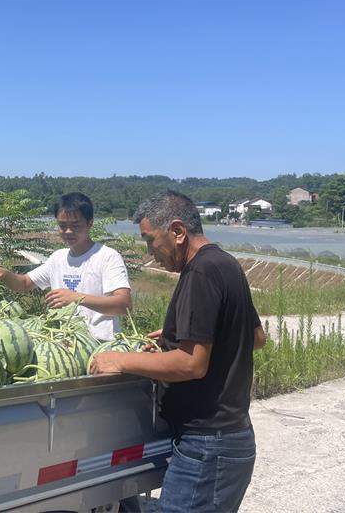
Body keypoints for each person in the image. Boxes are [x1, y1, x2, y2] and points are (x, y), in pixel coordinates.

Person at [90, 191, 266, 513]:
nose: (150, 252)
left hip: (207, 446)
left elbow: (191, 365)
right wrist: (176, 337)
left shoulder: (200, 272)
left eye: (150, 240)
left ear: (177, 231)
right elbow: (255, 337)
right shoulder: (226, 264)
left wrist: (119, 359)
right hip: (229, 440)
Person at [0, 192, 132, 341]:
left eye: (75, 225)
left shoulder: (107, 256)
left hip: (99, 344)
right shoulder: (58, 258)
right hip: (63, 344)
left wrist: (76, 298)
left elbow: (124, 305)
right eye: (62, 225)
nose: (68, 231)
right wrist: (5, 274)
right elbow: (23, 284)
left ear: (90, 223)